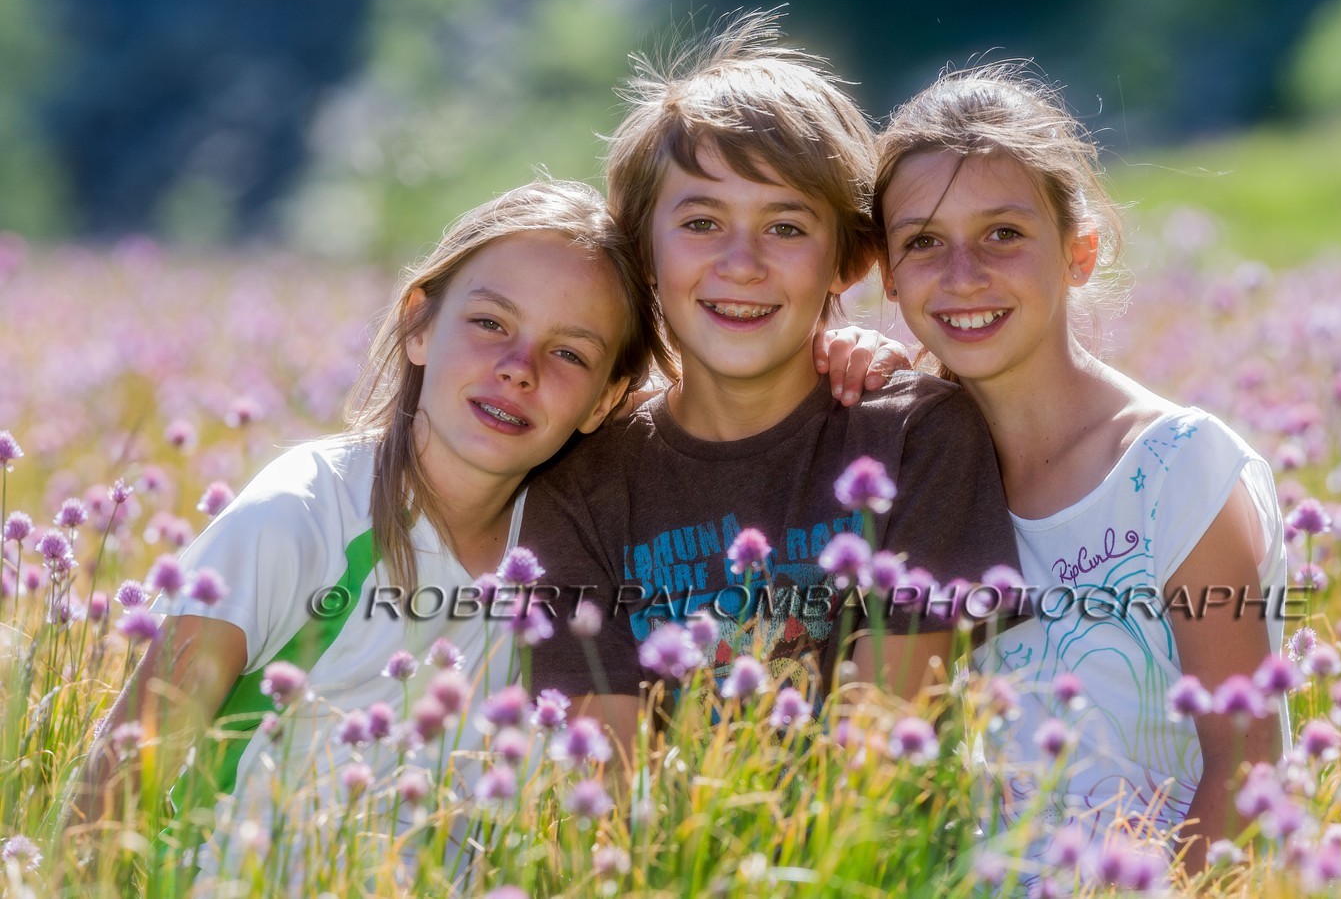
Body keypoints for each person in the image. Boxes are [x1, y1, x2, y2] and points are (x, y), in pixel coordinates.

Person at [65, 179, 895, 880]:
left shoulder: (578, 538)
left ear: (607, 400)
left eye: (570, 354)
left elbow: (728, 428)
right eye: (491, 323)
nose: (519, 368)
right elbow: (111, 791)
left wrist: (842, 353)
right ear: (419, 322)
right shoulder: (300, 516)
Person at [522, 14, 1018, 743]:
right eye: (700, 223)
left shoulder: (917, 438)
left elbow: (880, 754)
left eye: (786, 227)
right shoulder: (581, 484)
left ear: (847, 261)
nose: (743, 263)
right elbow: (605, 781)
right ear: (641, 255)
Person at [872, 64, 1288, 874]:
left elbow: (1246, 765)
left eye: (1003, 234)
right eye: (923, 241)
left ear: (1079, 250)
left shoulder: (1178, 468)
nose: (964, 275)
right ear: (887, 276)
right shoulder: (893, 473)